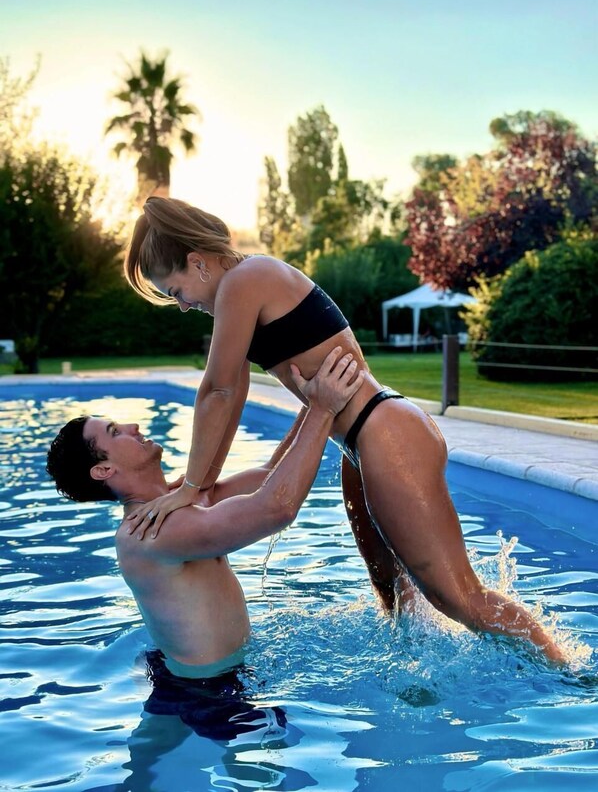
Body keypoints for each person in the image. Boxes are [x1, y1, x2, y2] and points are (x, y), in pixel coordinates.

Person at [122, 196, 565, 664]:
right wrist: (201, 484)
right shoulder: (246, 287)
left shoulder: (245, 280)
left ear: (197, 262)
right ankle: (419, 674)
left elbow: (218, 390)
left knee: (460, 598)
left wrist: (191, 488)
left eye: (175, 291)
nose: (183, 306)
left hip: (386, 433)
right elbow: (231, 393)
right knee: (391, 590)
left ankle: (569, 672)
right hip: (362, 440)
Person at [45, 348, 364, 678]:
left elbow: (273, 476)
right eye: (115, 432)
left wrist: (314, 403)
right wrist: (323, 409)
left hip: (219, 677)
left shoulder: (182, 499)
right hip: (203, 696)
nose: (133, 425)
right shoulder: (146, 533)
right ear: (104, 470)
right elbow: (276, 509)